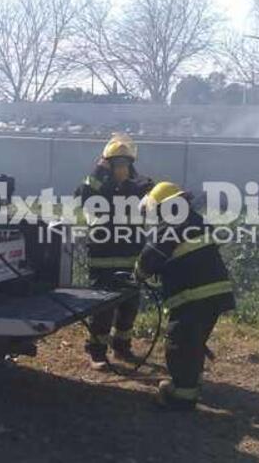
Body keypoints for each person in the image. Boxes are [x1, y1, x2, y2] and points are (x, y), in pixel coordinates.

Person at [134, 182, 235, 411]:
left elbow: (151, 257)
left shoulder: (170, 226)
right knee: (194, 341)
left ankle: (182, 397)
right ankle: (193, 379)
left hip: (192, 298)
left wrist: (139, 273)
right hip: (216, 295)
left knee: (178, 343)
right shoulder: (196, 220)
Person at [75, 134, 154, 370]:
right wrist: (99, 172)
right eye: (115, 163)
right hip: (103, 258)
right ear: (107, 163)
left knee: (129, 306)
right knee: (102, 308)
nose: (121, 168)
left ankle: (122, 346)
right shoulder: (98, 187)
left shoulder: (140, 186)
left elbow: (154, 198)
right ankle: (97, 352)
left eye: (125, 163)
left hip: (131, 258)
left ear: (131, 163)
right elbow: (82, 194)